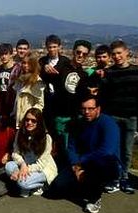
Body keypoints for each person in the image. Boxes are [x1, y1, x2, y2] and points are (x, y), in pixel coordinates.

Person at [47, 95, 120, 213]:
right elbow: (71, 147)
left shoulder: (108, 123)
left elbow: (107, 150)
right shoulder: (78, 123)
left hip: (103, 164)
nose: (86, 112)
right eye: (84, 108)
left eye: (91, 108)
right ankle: (83, 186)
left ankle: (94, 198)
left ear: (98, 109)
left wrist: (81, 161)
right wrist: (75, 165)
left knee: (98, 167)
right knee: (55, 189)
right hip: (81, 163)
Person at [101, 40, 138, 194]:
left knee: (127, 150)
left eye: (119, 53)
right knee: (115, 149)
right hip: (114, 116)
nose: (117, 56)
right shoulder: (109, 72)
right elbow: (104, 94)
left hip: (131, 116)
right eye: (114, 54)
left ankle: (124, 177)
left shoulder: (137, 71)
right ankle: (116, 178)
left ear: (126, 53)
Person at [39, 35, 86, 164]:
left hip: (61, 103)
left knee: (61, 138)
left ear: (60, 47)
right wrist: (43, 68)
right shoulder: (42, 61)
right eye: (50, 47)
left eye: (55, 47)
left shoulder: (65, 62)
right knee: (48, 135)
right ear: (46, 48)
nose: (52, 49)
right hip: (46, 101)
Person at [5, 108, 57, 197]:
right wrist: (22, 165)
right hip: (25, 165)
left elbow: (41, 164)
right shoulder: (20, 133)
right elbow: (15, 153)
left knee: (22, 184)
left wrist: (26, 169)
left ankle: (42, 185)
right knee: (8, 166)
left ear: (39, 122)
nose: (29, 123)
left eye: (33, 121)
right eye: (27, 120)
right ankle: (26, 184)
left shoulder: (46, 138)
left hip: (42, 169)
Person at [12, 54, 45, 129]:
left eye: (29, 63)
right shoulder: (20, 79)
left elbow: (40, 104)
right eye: (24, 63)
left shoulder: (37, 81)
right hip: (18, 120)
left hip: (29, 122)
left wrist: (31, 117)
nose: (26, 65)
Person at [0, 43, 21, 127]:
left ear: (11, 54)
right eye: (1, 54)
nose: (3, 57)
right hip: (1, 107)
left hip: (13, 105)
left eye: (6, 54)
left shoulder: (18, 70)